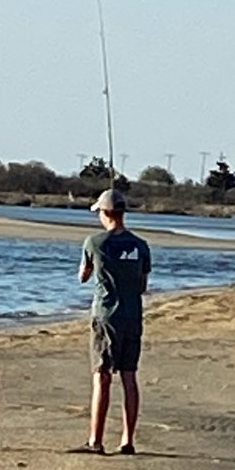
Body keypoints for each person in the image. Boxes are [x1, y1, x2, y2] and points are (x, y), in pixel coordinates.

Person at [78, 188, 152, 454]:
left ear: (105, 213)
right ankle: (127, 440)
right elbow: (142, 285)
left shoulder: (95, 243)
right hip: (133, 316)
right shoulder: (141, 245)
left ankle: (95, 441)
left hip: (106, 315)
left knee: (102, 376)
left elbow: (83, 276)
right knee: (129, 376)